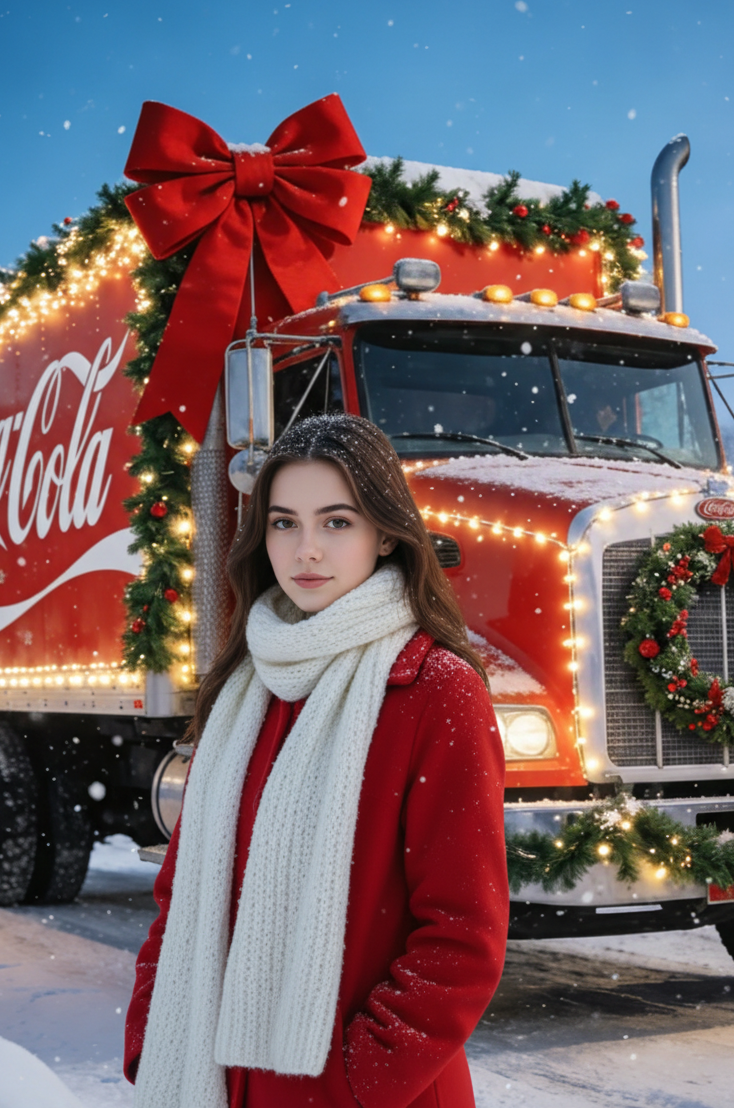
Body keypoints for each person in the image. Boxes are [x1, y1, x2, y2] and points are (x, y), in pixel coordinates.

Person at [124, 412, 509, 1108]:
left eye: (336, 522)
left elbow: (462, 936)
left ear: (385, 532)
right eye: (283, 523)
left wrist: (354, 1081)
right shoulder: (244, 685)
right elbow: (179, 897)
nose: (306, 550)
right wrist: (154, 1039)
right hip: (218, 1083)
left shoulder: (434, 689)